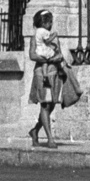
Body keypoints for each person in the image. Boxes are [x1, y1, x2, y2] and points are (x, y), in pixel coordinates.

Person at [27, 9, 67, 148]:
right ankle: (50, 138)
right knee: (45, 104)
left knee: (50, 106)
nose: (51, 25)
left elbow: (60, 55)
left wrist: (57, 58)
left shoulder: (54, 39)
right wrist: (47, 59)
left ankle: (35, 131)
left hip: (54, 73)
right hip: (41, 74)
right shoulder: (35, 38)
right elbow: (32, 55)